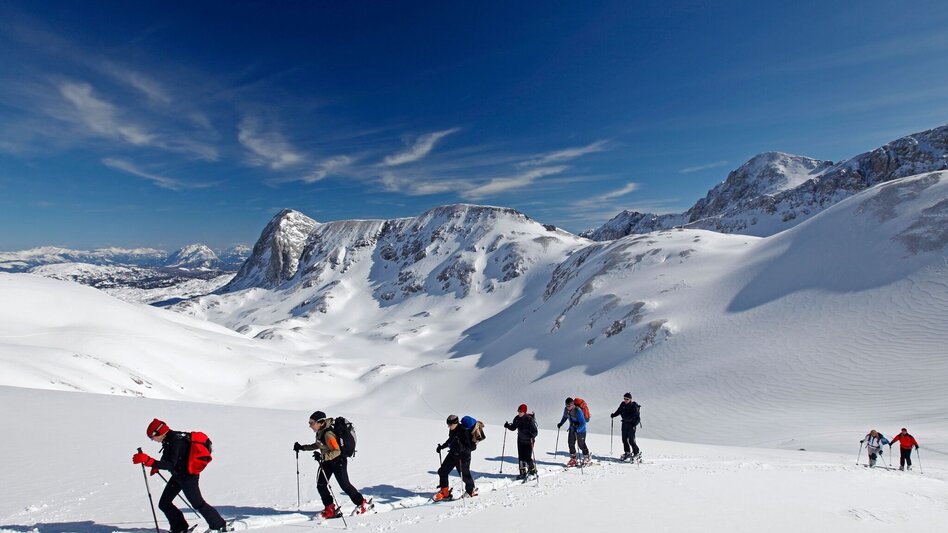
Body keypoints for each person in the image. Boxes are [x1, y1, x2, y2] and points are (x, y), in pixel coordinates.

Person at [132, 418, 229, 533]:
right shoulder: (170, 439)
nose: (152, 440)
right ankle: (179, 528)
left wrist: (150, 461)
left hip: (188, 477)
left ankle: (219, 525)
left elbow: (170, 464)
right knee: (164, 504)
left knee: (198, 503)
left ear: (158, 432)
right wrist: (156, 465)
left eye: (151, 437)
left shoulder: (175, 441)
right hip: (178, 475)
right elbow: (171, 458)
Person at [293, 411, 372, 518]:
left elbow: (337, 451)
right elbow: (319, 444)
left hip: (338, 461)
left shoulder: (328, 434)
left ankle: (363, 504)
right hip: (328, 461)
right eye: (309, 422)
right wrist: (302, 447)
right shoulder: (321, 431)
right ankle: (330, 509)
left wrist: (322, 457)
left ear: (320, 422)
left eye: (311, 423)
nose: (309, 425)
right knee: (321, 485)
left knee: (345, 485)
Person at [434, 414, 477, 500]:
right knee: (442, 471)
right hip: (453, 454)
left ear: (456, 423)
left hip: (463, 457)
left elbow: (471, 447)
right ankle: (445, 493)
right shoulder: (452, 430)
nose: (448, 427)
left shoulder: (464, 431)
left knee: (465, 475)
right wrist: (442, 446)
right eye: (448, 424)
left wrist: (462, 448)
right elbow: (451, 440)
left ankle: (470, 490)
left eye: (450, 425)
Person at [503, 404, 539, 479]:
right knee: (521, 457)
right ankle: (522, 473)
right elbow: (513, 427)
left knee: (527, 457)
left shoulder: (529, 419)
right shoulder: (517, 419)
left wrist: (532, 436)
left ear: (524, 412)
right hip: (520, 440)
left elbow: (535, 431)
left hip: (529, 441)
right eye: (518, 411)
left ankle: (532, 470)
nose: (519, 413)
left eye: (521, 411)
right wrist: (508, 426)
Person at [557, 397, 590, 466]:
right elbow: (565, 417)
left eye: (569, 405)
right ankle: (573, 458)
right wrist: (561, 423)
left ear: (572, 404)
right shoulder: (566, 410)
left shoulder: (578, 410)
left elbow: (583, 423)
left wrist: (578, 429)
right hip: (572, 429)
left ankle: (587, 457)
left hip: (581, 430)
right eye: (567, 405)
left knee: (581, 445)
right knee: (570, 443)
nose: (568, 407)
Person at [610, 392, 641, 461]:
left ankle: (636, 453)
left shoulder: (634, 406)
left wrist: (634, 424)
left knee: (631, 440)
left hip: (631, 425)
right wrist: (614, 415)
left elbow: (636, 417)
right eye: (624, 398)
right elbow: (619, 411)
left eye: (627, 399)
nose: (625, 400)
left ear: (630, 399)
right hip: (624, 424)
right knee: (624, 440)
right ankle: (627, 452)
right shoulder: (623, 404)